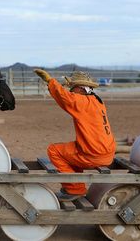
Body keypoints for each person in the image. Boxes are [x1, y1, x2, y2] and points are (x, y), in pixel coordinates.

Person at [34, 69, 116, 201]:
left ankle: (75, 189)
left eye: (72, 88)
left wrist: (50, 81)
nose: (71, 91)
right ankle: (74, 183)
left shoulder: (80, 102)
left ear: (79, 88)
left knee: (54, 150)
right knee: (73, 149)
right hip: (107, 153)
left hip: (93, 154)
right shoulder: (97, 101)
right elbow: (66, 100)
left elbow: (63, 96)